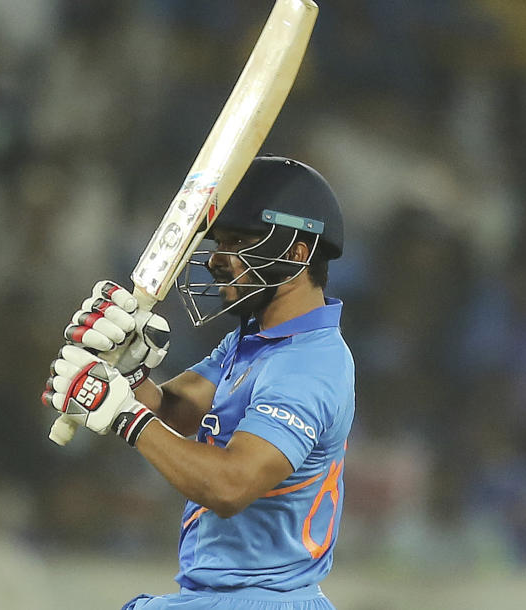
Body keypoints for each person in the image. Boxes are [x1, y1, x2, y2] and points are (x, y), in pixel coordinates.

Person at [43, 156, 354, 610]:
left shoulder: (308, 364)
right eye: (217, 242)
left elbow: (230, 487)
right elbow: (173, 412)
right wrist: (127, 373)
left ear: (296, 253)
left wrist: (122, 412)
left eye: (238, 242)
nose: (215, 260)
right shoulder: (254, 342)